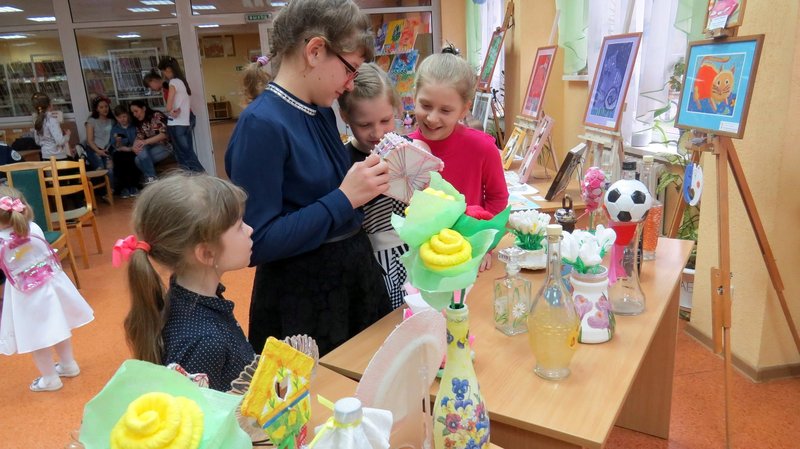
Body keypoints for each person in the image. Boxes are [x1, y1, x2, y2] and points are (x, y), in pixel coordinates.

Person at [226, 0, 391, 356]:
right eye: (350, 69)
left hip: (353, 282)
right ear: (315, 51)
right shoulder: (261, 125)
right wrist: (344, 199)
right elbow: (258, 241)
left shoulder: (320, 111)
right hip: (304, 299)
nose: (351, 85)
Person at [119, 173, 255, 392]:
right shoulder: (203, 341)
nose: (250, 230)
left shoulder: (193, 298)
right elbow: (200, 412)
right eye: (239, 226)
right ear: (206, 253)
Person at [408, 49, 509, 270]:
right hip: (419, 256)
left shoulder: (483, 148)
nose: (432, 118)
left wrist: (483, 244)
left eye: (445, 110)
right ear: (414, 97)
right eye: (425, 105)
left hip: (468, 253)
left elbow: (497, 198)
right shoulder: (405, 149)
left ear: (464, 109)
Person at [338, 63, 426, 310]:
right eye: (365, 125)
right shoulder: (343, 161)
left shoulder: (411, 149)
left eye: (386, 120)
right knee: (384, 319)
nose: (377, 133)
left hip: (417, 253)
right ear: (345, 117)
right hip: (372, 262)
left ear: (397, 109)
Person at [0, 186, 94, 392]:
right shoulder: (34, 228)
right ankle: (68, 365)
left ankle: (50, 378)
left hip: (26, 295)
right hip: (51, 285)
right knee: (59, 326)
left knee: (37, 337)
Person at [157, 57, 204, 172]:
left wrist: (170, 110)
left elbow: (168, 106)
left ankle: (203, 176)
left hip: (176, 124)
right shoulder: (182, 82)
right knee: (188, 154)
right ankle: (199, 178)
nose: (164, 75)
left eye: (163, 72)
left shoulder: (173, 83)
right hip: (184, 123)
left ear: (168, 69)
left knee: (184, 156)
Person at [129, 99, 172, 184]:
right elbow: (139, 137)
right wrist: (134, 146)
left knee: (138, 160)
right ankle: (152, 178)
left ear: (144, 108)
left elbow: (164, 134)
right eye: (132, 113)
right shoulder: (140, 122)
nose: (134, 114)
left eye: (136, 111)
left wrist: (145, 142)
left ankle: (151, 178)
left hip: (165, 145)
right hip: (151, 146)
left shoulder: (156, 115)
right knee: (139, 154)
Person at [107, 105, 141, 198]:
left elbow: (139, 138)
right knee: (119, 159)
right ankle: (124, 188)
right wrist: (118, 142)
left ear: (127, 115)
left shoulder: (133, 126)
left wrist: (132, 148)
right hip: (121, 151)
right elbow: (117, 147)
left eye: (124, 116)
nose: (122, 119)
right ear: (116, 118)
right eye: (119, 117)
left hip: (134, 149)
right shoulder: (115, 129)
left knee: (133, 159)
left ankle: (133, 186)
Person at [31, 92, 74, 160]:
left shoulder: (37, 121)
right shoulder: (52, 120)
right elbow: (60, 141)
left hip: (45, 156)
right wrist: (67, 135)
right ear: (50, 105)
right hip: (58, 156)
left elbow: (37, 141)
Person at [83, 96, 114, 172]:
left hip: (107, 149)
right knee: (100, 168)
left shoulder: (112, 121)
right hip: (94, 149)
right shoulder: (91, 121)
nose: (105, 109)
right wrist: (98, 151)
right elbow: (90, 140)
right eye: (101, 107)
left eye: (106, 106)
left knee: (110, 170)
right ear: (97, 109)